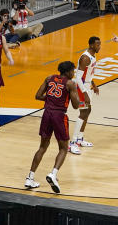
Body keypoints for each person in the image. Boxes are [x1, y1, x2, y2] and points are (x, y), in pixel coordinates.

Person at [25, 61, 81, 193]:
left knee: (42, 147)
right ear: (67, 72)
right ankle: (53, 174)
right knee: (63, 148)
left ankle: (30, 177)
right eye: (72, 71)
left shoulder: (49, 78)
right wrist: (74, 91)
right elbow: (76, 105)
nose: (73, 73)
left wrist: (51, 99)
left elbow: (38, 96)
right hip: (59, 116)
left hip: (46, 114)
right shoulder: (70, 84)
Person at [70, 37, 102, 154]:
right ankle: (72, 143)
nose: (100, 46)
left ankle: (80, 139)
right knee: (83, 112)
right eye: (98, 44)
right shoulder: (85, 58)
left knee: (87, 111)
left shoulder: (93, 56)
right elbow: (78, 78)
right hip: (81, 87)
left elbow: (88, 75)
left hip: (87, 86)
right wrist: (84, 93)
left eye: (100, 44)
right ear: (92, 45)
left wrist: (93, 84)